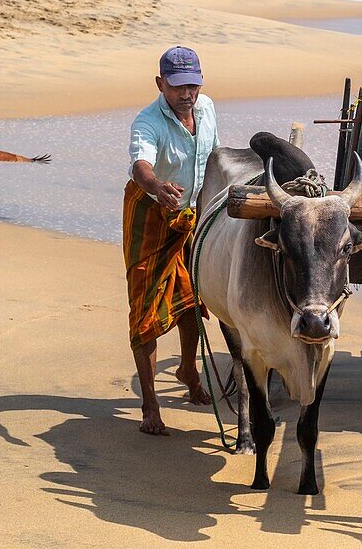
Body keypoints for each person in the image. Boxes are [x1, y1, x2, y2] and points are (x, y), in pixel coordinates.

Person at [124, 46, 219, 435]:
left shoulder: (208, 108)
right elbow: (139, 164)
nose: (187, 95)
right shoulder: (147, 122)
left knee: (193, 297)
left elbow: (215, 158)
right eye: (178, 87)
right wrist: (156, 186)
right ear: (160, 83)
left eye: (193, 86)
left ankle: (188, 371)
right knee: (145, 310)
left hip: (192, 213)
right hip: (151, 214)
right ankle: (150, 405)